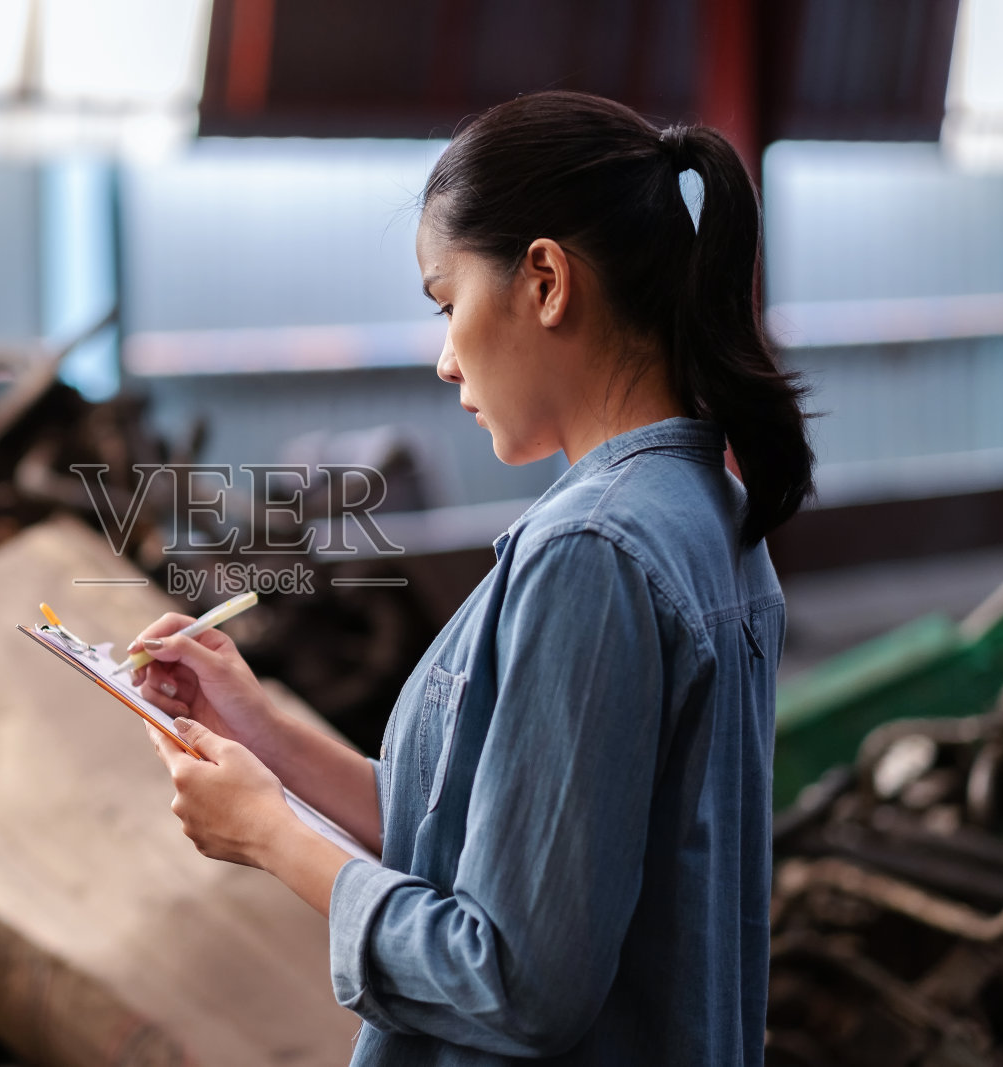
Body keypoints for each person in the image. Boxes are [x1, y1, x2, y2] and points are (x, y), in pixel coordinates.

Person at [128, 90, 813, 1065]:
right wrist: (261, 728)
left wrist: (269, 834)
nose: (446, 359)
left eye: (448, 303)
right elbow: (482, 836)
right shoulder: (701, 505)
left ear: (543, 280)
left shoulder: (595, 551)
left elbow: (513, 980)